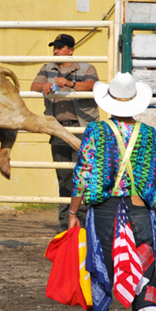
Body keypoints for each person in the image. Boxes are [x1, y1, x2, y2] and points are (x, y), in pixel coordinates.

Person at [68, 73, 156, 311]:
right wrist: (155, 210)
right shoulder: (150, 135)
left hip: (105, 211)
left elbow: (82, 172)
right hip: (140, 210)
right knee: (145, 272)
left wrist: (73, 213)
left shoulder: (97, 130)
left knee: (102, 267)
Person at [30, 34, 99, 231]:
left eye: (60, 47)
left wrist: (71, 84)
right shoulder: (48, 68)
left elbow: (93, 86)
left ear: (71, 50)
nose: (56, 51)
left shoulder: (86, 68)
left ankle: (83, 222)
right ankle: (65, 225)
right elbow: (33, 86)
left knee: (83, 175)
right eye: (55, 47)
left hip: (82, 129)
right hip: (58, 129)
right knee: (64, 177)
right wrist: (43, 86)